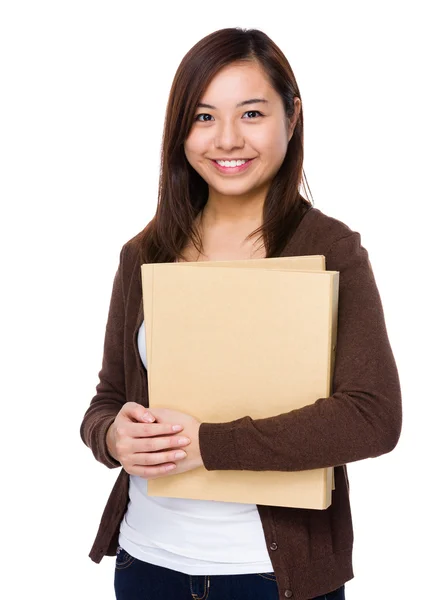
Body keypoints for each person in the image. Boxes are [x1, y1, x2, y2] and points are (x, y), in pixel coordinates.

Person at [80, 27, 402, 600]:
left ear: (292, 116)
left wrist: (211, 444)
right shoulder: (144, 253)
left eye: (252, 113)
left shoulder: (330, 249)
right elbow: (107, 398)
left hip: (270, 577)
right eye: (203, 117)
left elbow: (372, 416)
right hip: (146, 565)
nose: (227, 139)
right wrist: (111, 438)